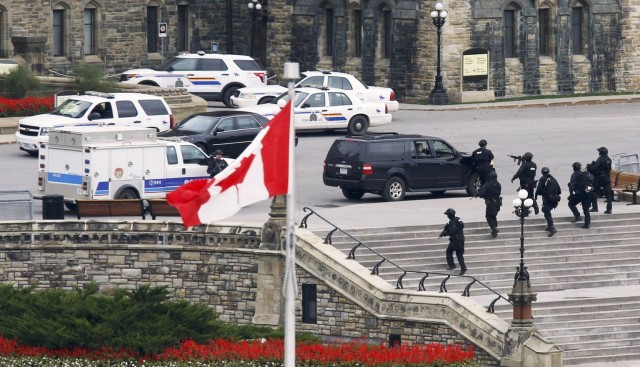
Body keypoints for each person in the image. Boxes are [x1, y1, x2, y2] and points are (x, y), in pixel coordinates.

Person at [439, 208, 467, 275]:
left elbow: (452, 231)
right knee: (459, 254)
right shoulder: (457, 219)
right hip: (461, 239)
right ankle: (463, 268)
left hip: (456, 240)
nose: (447, 216)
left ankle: (452, 265)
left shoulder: (453, 222)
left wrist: (445, 233)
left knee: (449, 251)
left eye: (447, 215)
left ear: (449, 215)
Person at [535, 167, 562, 237]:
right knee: (546, 211)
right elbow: (559, 190)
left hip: (547, 199)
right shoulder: (553, 179)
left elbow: (539, 189)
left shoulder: (543, 179)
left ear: (542, 173)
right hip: (555, 199)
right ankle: (549, 225)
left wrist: (537, 194)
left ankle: (552, 227)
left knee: (546, 211)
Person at [568, 162, 592, 229]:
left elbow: (572, 185)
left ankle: (577, 216)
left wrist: (571, 193)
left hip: (579, 194)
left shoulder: (574, 175)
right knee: (586, 210)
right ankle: (587, 224)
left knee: (571, 204)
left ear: (574, 168)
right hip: (587, 193)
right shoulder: (585, 173)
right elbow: (592, 180)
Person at [477, 171, 502, 238]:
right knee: (493, 216)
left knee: (489, 216)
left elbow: (481, 194)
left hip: (491, 203)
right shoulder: (498, 184)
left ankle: (494, 228)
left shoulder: (487, 184)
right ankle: (494, 230)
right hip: (497, 203)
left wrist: (479, 194)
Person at [588, 147, 613, 214]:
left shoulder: (600, 159)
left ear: (601, 152)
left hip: (599, 179)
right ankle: (609, 209)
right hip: (607, 179)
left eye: (599, 152)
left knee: (592, 191)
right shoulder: (609, 159)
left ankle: (595, 207)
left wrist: (590, 166)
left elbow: (594, 168)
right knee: (608, 195)